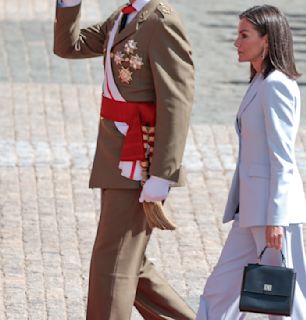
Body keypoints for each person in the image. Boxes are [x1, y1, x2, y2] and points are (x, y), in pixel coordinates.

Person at [54, 0, 195, 319]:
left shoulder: (161, 21)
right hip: (115, 155)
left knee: (112, 264)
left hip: (139, 160)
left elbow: (177, 100)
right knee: (130, 263)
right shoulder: (126, 15)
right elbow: (69, 45)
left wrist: (163, 174)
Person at [196, 5, 306, 320]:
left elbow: (282, 157)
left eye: (244, 35)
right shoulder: (261, 81)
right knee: (220, 290)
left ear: (267, 40)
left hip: (270, 214)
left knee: (287, 300)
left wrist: (276, 217)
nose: (237, 42)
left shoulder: (276, 86)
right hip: (249, 211)